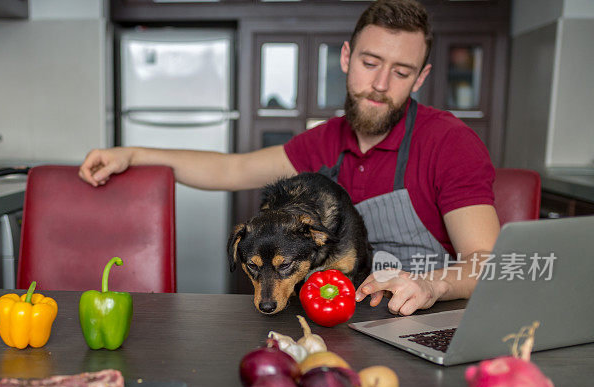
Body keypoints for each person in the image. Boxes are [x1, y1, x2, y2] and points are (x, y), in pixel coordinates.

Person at [78, 0, 500, 317]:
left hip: (417, 321)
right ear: (346, 58)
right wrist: (131, 153)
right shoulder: (323, 142)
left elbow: (486, 260)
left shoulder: (449, 143)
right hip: (330, 321)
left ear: (421, 77)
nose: (381, 84)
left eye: (402, 72)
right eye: (370, 63)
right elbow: (233, 168)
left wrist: (433, 284)